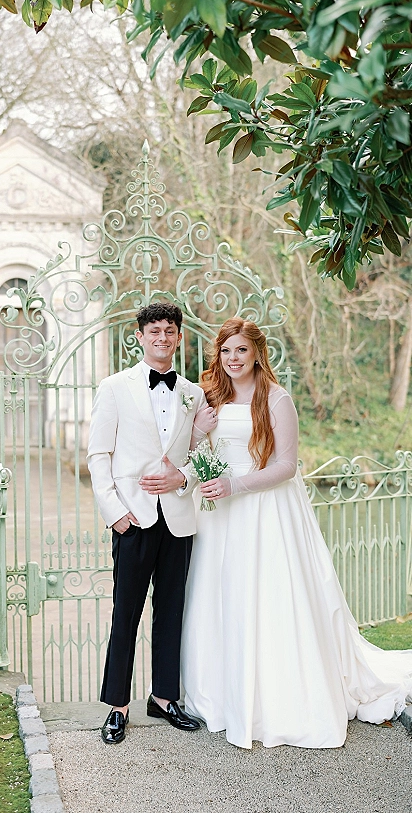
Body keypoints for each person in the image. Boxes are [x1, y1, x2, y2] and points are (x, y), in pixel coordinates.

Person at [181, 316, 412, 749]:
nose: (233, 359)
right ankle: (221, 695)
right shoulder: (208, 396)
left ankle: (277, 698)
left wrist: (235, 485)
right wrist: (199, 432)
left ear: (256, 354)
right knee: (217, 596)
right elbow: (192, 449)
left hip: (262, 508)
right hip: (216, 514)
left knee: (267, 597)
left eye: (241, 351)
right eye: (226, 351)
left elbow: (285, 466)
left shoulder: (276, 399)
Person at [87, 302, 208, 744]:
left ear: (179, 338)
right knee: (126, 613)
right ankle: (117, 706)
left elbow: (200, 458)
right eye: (154, 330)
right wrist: (114, 513)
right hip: (133, 517)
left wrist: (184, 478)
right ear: (140, 336)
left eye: (170, 330)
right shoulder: (114, 387)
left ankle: (164, 698)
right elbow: (98, 454)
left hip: (178, 516)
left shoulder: (193, 393)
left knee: (172, 609)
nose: (162, 337)